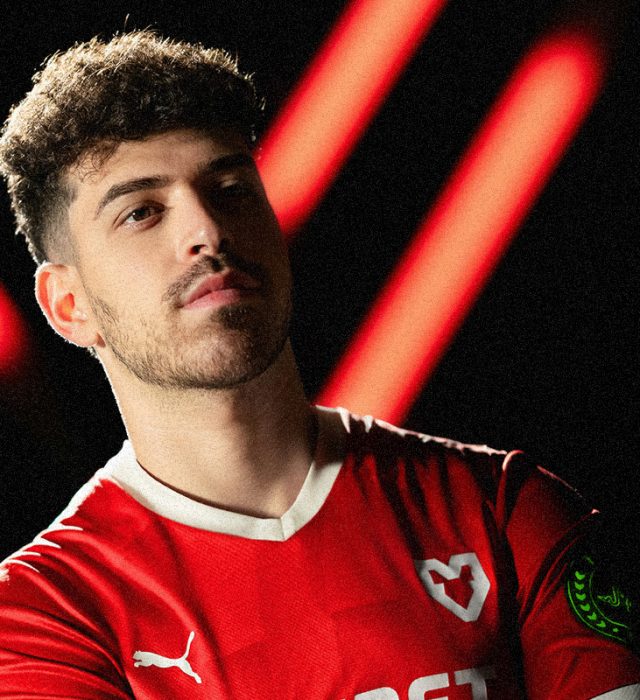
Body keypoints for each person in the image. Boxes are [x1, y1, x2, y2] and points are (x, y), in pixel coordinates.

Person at [0, 30, 638, 699]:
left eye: (230, 189)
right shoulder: (44, 618)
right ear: (69, 305)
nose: (208, 231)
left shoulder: (507, 511)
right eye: (141, 212)